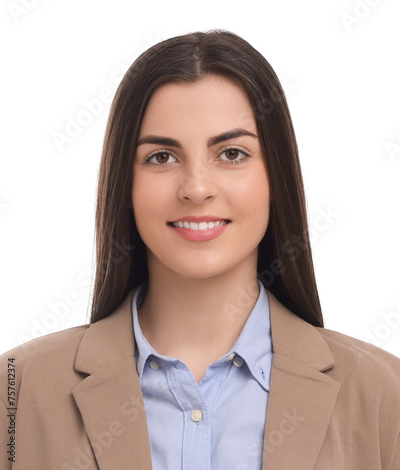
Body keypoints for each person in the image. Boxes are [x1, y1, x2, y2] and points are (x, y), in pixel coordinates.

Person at [1, 29, 399, 470]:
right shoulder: (15, 393)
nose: (196, 188)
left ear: (275, 178)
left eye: (231, 153)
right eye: (161, 157)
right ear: (126, 186)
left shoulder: (385, 396)